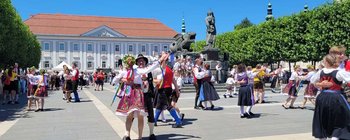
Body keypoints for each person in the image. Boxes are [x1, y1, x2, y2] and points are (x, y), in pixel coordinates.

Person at [114, 53, 167, 140]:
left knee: (150, 114)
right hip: (135, 95)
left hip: (147, 95)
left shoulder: (150, 70)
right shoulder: (133, 70)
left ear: (145, 62)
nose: (141, 62)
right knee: (130, 114)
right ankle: (127, 134)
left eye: (142, 60)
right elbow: (120, 78)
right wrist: (123, 80)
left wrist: (163, 60)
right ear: (136, 63)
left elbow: (162, 70)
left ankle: (151, 133)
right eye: (139, 61)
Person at [311, 54, 350, 140]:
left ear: (326, 62)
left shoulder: (321, 72)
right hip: (335, 97)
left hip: (322, 97)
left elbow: (312, 80)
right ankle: (335, 137)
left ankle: (323, 137)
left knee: (323, 118)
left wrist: (320, 84)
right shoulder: (338, 72)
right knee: (339, 120)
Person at [153, 52, 182, 128]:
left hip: (163, 89)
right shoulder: (169, 70)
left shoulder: (162, 69)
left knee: (168, 106)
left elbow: (172, 80)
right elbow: (174, 81)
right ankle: (154, 121)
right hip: (168, 89)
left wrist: (164, 57)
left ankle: (178, 121)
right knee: (159, 106)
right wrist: (177, 90)